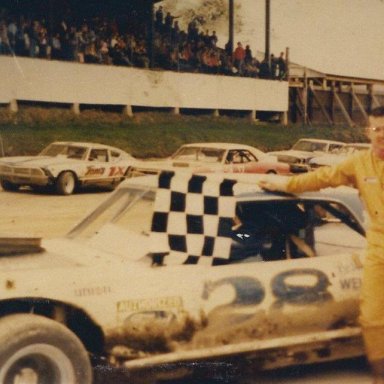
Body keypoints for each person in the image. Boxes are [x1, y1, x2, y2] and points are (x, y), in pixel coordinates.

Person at [258, 106, 384, 384]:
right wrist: (283, 185)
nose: (381, 137)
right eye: (376, 130)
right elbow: (319, 179)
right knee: (373, 318)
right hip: (379, 251)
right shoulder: (358, 163)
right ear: (368, 131)